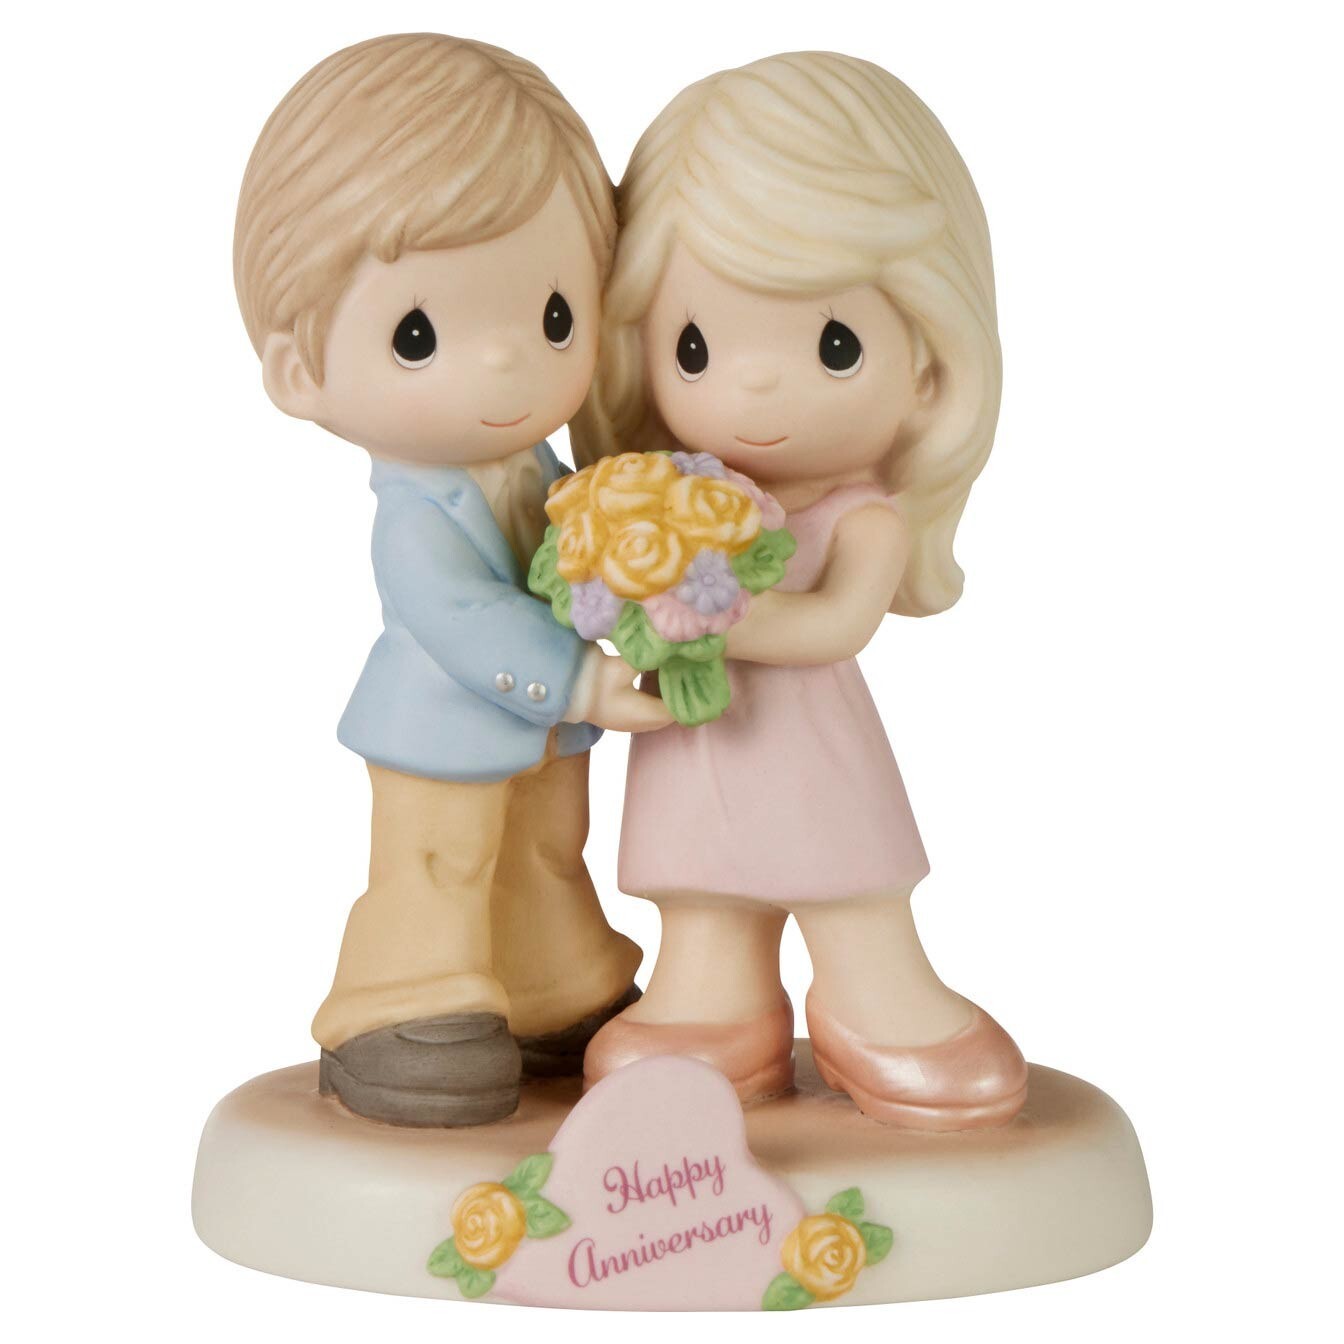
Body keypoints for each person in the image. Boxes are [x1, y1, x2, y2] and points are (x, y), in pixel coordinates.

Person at [234, 33, 669, 1126]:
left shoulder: (544, 471)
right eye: (420, 334)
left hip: (544, 733)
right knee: (439, 862)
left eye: (554, 317)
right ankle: (399, 1005)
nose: (506, 360)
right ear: (298, 369)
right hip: (441, 723)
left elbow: (575, 546)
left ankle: (553, 985)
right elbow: (461, 614)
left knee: (544, 852)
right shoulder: (413, 518)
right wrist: (584, 678)